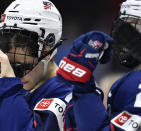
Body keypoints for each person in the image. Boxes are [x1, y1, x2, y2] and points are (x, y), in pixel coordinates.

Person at [0, 0, 72, 130]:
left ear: (46, 51)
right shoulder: (19, 90)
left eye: (22, 67)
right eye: (11, 67)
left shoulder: (69, 96)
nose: (16, 76)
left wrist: (9, 88)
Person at [59, 0, 141, 130]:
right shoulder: (127, 80)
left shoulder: (135, 83)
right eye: (123, 24)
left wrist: (84, 89)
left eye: (132, 24)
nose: (122, 33)